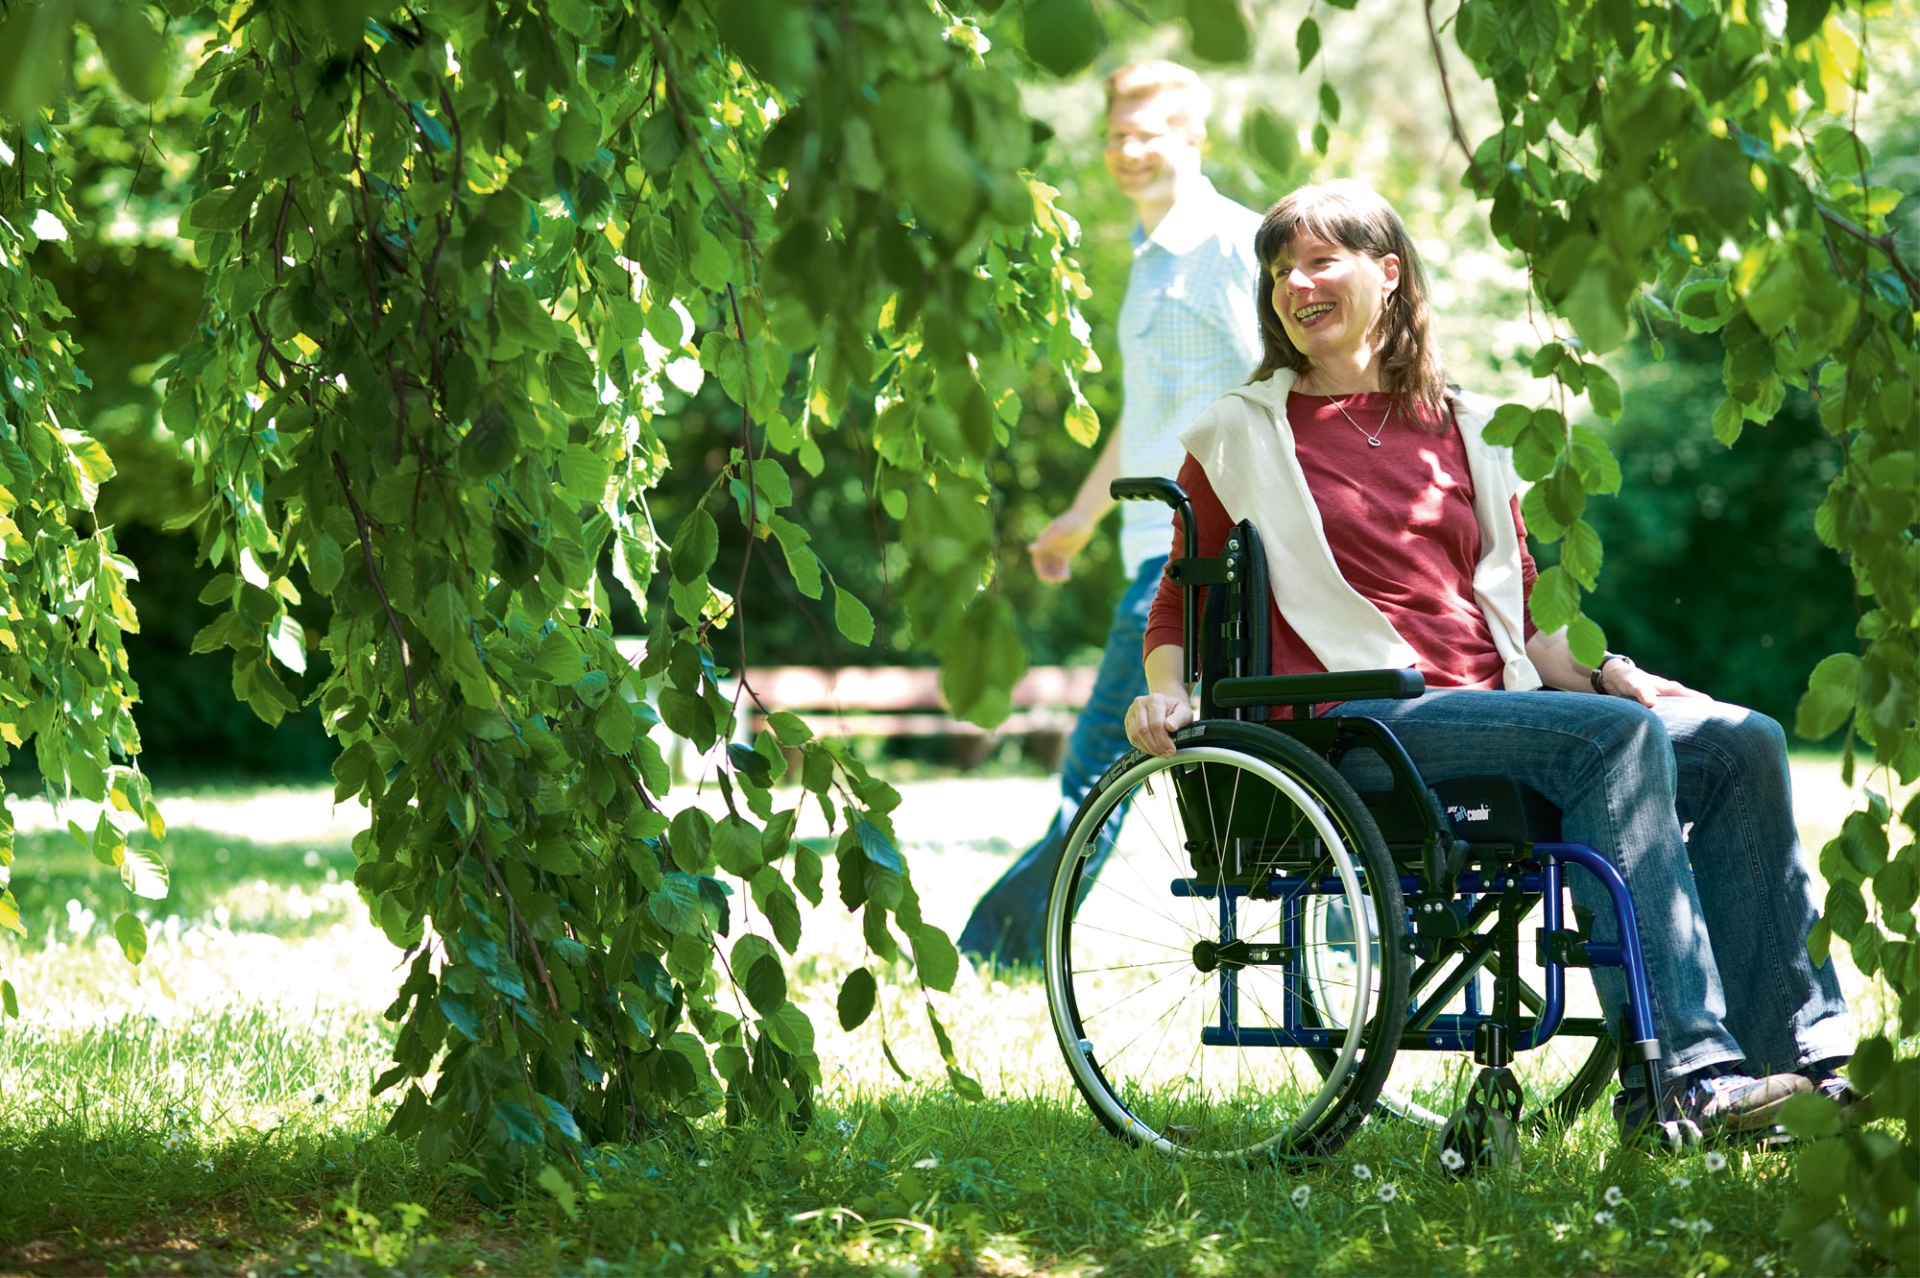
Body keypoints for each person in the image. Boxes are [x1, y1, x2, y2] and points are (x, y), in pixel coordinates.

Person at [1123, 179, 1854, 1148]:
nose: (1294, 285)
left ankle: (1806, 1067)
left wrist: (1611, 674)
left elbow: (1525, 616)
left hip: (1498, 709)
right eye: (1279, 269)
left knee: (1740, 740)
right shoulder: (1241, 432)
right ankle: (1681, 1079)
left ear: (1388, 275)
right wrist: (1163, 699)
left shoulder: (1469, 429)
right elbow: (1178, 597)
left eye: (1318, 261)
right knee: (1614, 746)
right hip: (1361, 725)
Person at [957, 62, 1264, 963]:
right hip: (1151, 541)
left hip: (1205, 550)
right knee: (1112, 763)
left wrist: (1238, 535)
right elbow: (1149, 410)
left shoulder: (1226, 248)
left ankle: (998, 950)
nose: (1130, 150)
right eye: (1118, 133)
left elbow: (1275, 395)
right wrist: (1081, 518)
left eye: (1151, 132)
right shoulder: (1150, 253)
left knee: (1100, 766)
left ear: (1193, 138)